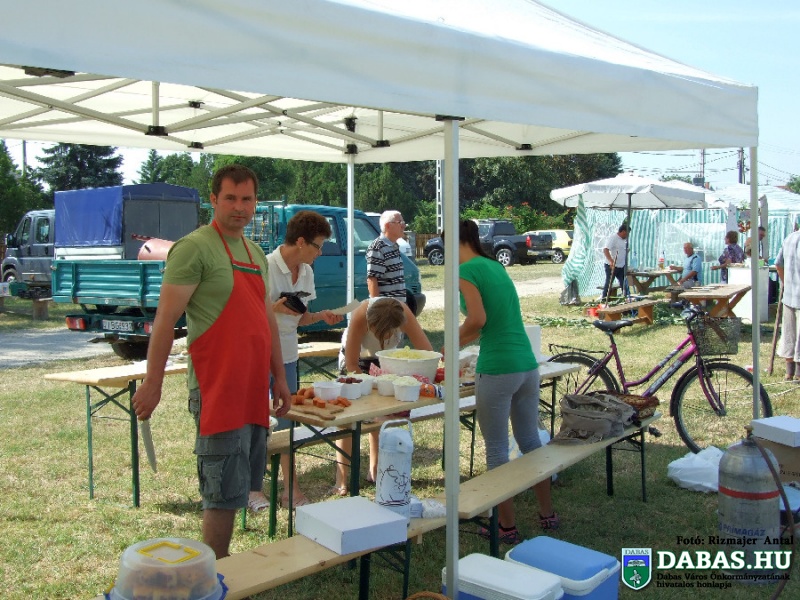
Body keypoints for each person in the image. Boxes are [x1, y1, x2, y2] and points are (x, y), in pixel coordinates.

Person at [131, 164, 292, 559]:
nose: (239, 207)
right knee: (220, 494)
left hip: (253, 388)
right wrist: (153, 382)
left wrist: (280, 378)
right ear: (214, 200)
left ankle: (223, 571)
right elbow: (165, 319)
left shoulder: (254, 252)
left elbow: (266, 320)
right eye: (230, 198)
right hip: (216, 388)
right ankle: (214, 573)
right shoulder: (194, 248)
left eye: (247, 199)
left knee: (240, 486)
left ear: (256, 202)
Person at [451, 219, 558, 544]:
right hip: (526, 364)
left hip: (497, 366)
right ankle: (547, 514)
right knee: (530, 441)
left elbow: (478, 319)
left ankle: (505, 526)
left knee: (497, 448)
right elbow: (494, 320)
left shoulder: (465, 271)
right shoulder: (495, 266)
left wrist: (451, 343)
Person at [264, 210, 343, 510]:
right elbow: (247, 314)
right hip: (259, 354)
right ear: (300, 242)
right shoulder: (266, 266)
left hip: (288, 355)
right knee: (257, 421)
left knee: (287, 421)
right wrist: (274, 308)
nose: (320, 253)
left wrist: (321, 316)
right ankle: (253, 490)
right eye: (318, 246)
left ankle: (290, 490)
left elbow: (302, 317)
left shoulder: (307, 272)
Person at [332, 297, 433, 495]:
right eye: (382, 334)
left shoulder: (402, 312)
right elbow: (351, 364)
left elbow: (427, 351)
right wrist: (370, 384)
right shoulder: (361, 314)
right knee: (347, 420)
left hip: (386, 362)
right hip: (357, 361)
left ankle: (377, 470)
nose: (386, 337)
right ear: (371, 324)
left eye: (390, 333)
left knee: (383, 416)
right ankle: (341, 479)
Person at [775, 229, 800, 381]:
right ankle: (798, 374)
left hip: (789, 294)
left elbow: (778, 264)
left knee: (789, 333)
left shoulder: (789, 238)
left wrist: (786, 283)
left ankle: (789, 373)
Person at [366, 210, 407, 302]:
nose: (404, 226)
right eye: (400, 222)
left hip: (397, 306)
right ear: (388, 225)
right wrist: (377, 306)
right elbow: (372, 279)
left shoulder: (393, 246)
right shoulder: (378, 247)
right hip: (386, 307)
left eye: (403, 222)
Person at [601, 223, 628, 300]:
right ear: (623, 231)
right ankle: (604, 298)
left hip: (621, 265)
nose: (627, 235)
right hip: (611, 265)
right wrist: (611, 261)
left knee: (623, 282)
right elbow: (605, 250)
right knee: (609, 283)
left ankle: (626, 297)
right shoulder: (613, 238)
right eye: (627, 233)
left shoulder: (624, 240)